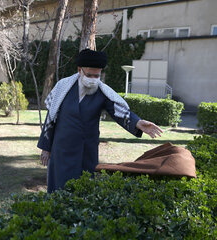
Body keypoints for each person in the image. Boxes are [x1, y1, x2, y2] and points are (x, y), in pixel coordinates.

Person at [37, 49, 163, 193]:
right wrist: (45, 148)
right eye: (89, 75)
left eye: (97, 75)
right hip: (61, 151)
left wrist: (137, 123)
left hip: (86, 152)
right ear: (80, 70)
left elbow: (119, 111)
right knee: (58, 190)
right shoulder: (63, 87)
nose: (93, 79)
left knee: (83, 191)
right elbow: (51, 118)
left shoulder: (102, 92)